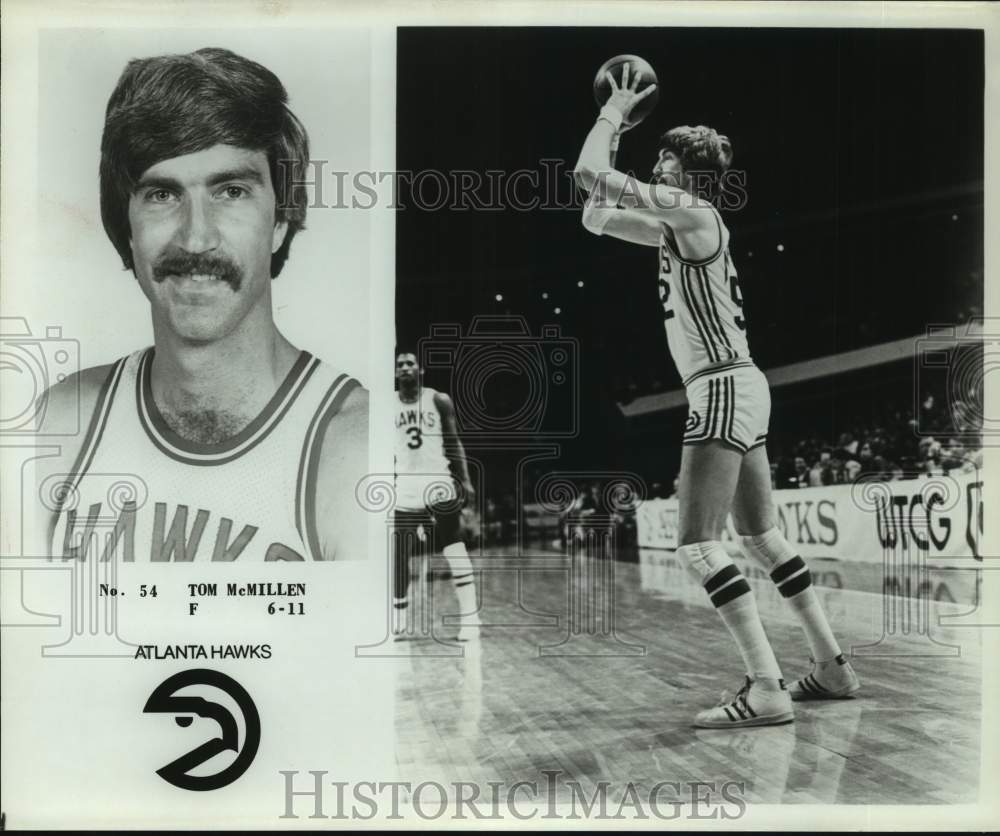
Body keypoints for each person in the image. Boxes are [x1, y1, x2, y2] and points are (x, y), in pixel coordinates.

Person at [574, 64, 858, 728]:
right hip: (741, 384)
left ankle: (765, 688)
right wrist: (614, 142)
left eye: (664, 161)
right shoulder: (676, 226)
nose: (657, 170)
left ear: (687, 175)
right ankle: (834, 667)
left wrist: (613, 114)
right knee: (761, 537)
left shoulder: (693, 210)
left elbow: (587, 174)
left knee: (698, 546)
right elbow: (594, 215)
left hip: (723, 387)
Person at [36, 47, 368, 561]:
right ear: (127, 230)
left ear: (280, 220)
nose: (195, 239)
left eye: (231, 191)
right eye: (162, 195)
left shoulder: (355, 447)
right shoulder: (59, 424)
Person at [393, 351, 480, 641]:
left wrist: (465, 480)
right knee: (399, 554)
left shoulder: (438, 400)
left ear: (421, 370)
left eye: (410, 363)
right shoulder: (386, 405)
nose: (405, 368)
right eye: (400, 365)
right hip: (405, 485)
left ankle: (470, 619)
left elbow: (454, 442)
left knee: (454, 547)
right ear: (395, 373)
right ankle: (400, 621)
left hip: (438, 480)